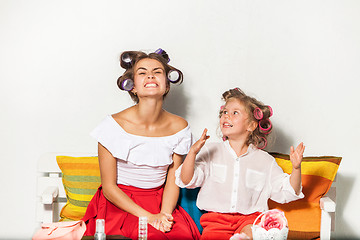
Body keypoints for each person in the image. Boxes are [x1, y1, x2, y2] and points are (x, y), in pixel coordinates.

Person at [82, 49, 200, 240]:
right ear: (133, 86)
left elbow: (173, 177)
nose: (150, 75)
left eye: (158, 71)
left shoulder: (180, 127)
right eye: (142, 72)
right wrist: (149, 218)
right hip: (121, 204)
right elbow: (109, 188)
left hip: (161, 202)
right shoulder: (112, 126)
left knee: (182, 236)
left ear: (167, 85)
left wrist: (164, 215)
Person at [175, 88, 305, 240]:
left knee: (250, 233)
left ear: (251, 125)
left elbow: (288, 192)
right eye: (224, 112)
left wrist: (296, 168)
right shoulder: (210, 151)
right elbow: (186, 180)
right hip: (216, 220)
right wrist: (192, 153)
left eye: (235, 112)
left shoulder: (265, 161)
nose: (226, 116)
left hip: (250, 219)